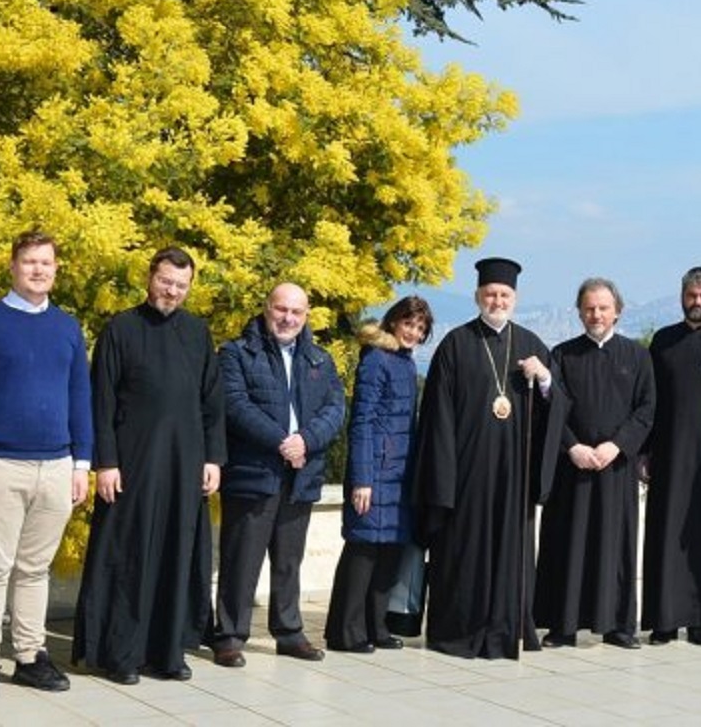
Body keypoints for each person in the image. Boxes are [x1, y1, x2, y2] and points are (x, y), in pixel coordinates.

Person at [0, 229, 93, 699]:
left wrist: (81, 461)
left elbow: (79, 397)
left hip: (56, 467)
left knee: (34, 569)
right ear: (13, 266)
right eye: (30, 261)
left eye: (46, 262)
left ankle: (29, 656)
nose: (38, 270)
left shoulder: (67, 328)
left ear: (56, 269)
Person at [72, 247, 226, 685]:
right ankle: (121, 653)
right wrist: (105, 463)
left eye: (180, 285)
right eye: (165, 281)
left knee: (178, 556)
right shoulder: (120, 328)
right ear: (150, 277)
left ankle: (167, 653)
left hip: (186, 464)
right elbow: (99, 401)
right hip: (132, 467)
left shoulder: (198, 333)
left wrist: (213, 457)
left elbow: (212, 401)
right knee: (129, 556)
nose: (171, 291)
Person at [414, 257, 551, 659]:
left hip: (514, 477)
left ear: (515, 298)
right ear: (478, 296)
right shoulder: (455, 344)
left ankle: (509, 627)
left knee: (512, 553)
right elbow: (436, 418)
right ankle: (461, 628)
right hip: (466, 475)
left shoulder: (531, 346)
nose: (497, 300)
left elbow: (556, 410)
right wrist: (442, 480)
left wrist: (543, 379)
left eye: (504, 294)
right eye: (490, 294)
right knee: (464, 552)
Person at [210, 283, 345, 666]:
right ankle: (230, 636)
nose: (288, 318)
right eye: (281, 309)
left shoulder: (320, 360)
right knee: (242, 558)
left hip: (300, 475)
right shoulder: (236, 353)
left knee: (289, 560)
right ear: (267, 308)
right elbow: (235, 404)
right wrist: (281, 441)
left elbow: (335, 410)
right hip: (254, 473)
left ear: (306, 317)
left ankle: (289, 632)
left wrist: (304, 440)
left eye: (296, 312)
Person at [534, 278, 654, 649]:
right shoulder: (563, 355)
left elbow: (647, 409)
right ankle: (562, 624)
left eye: (603, 308)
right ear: (579, 312)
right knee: (566, 544)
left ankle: (618, 625)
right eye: (589, 308)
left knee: (615, 548)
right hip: (573, 469)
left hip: (615, 469)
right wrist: (572, 447)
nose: (596, 314)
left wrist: (617, 446)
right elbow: (552, 408)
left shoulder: (637, 356)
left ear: (617, 310)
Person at [324, 296, 434, 653]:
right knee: (363, 552)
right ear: (393, 322)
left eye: (420, 328)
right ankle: (345, 632)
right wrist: (362, 479)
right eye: (408, 324)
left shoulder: (405, 363)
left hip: (400, 476)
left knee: (389, 554)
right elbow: (362, 421)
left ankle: (376, 626)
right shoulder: (375, 360)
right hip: (376, 472)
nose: (413, 332)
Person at [640, 266, 701, 646]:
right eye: (692, 295)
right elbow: (650, 401)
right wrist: (645, 451)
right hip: (667, 454)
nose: (698, 302)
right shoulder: (663, 341)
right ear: (682, 296)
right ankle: (664, 619)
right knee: (665, 537)